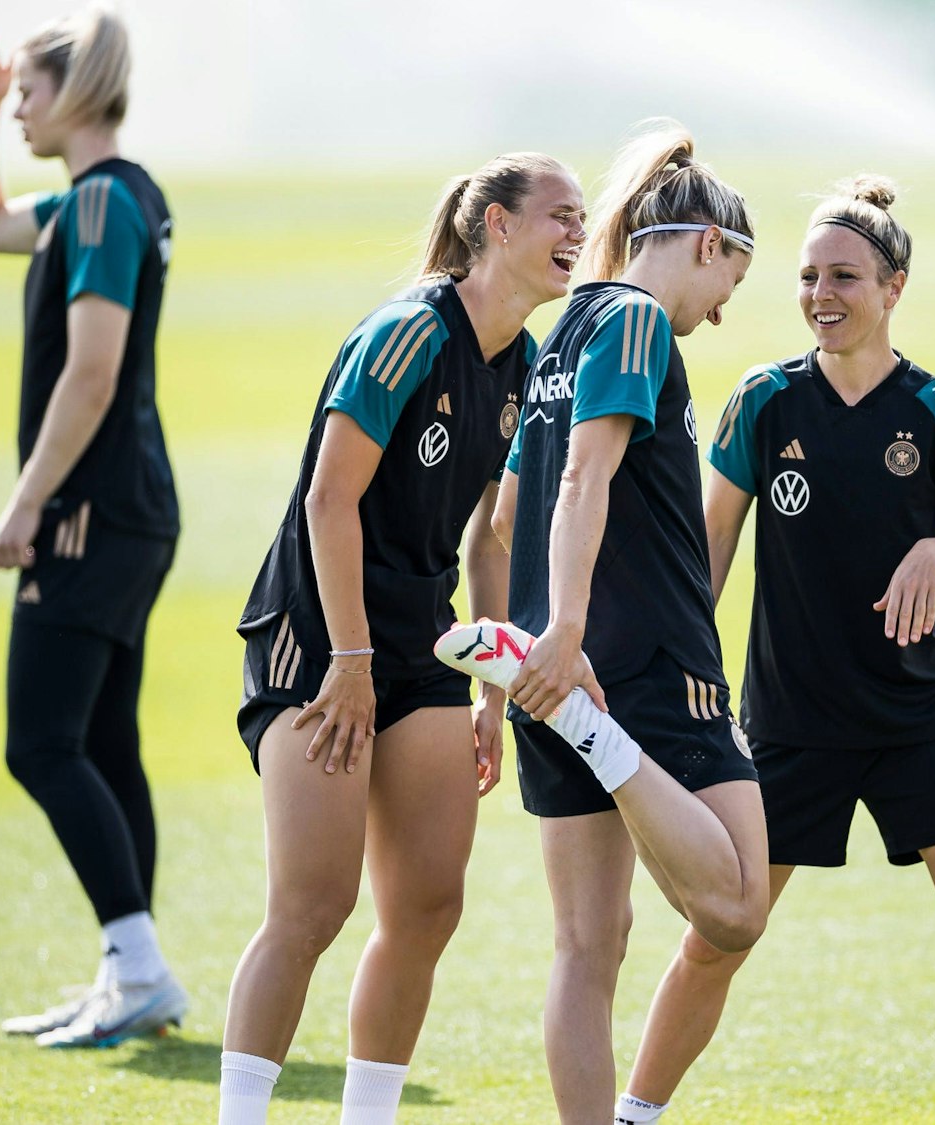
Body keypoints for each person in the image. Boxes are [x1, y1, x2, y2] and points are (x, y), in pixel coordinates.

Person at [612, 176, 935, 1125]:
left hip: (917, 716)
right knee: (719, 936)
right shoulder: (764, 401)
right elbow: (706, 560)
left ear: (894, 286)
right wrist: (674, 684)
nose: (823, 294)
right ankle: (634, 1115)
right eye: (809, 276)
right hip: (789, 723)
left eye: (846, 277)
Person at [216, 154, 586, 1125]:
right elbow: (327, 499)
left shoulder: (527, 364)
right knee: (312, 907)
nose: (576, 233)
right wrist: (345, 665)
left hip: (422, 646)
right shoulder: (405, 334)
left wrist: (493, 691)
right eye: (559, 214)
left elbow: (488, 535)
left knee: (427, 906)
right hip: (316, 641)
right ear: (497, 227)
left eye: (582, 218)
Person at [455, 119, 769, 1125]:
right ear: (707, 246)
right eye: (731, 288)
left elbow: (497, 523)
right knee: (732, 906)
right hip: (628, 668)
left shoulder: (559, 336)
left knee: (587, 949)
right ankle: (603, 738)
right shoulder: (633, 320)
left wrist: (503, 668)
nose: (719, 317)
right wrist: (569, 643)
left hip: (547, 673)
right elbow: (584, 477)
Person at [0, 9, 186, 1047]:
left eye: (28, 97)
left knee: (40, 743)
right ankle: (126, 971)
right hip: (132, 509)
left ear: (78, 92)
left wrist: (28, 499)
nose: (20, 114)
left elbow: (91, 371)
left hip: (93, 513)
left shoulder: (96, 211)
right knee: (102, 740)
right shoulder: (107, 202)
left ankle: (137, 967)